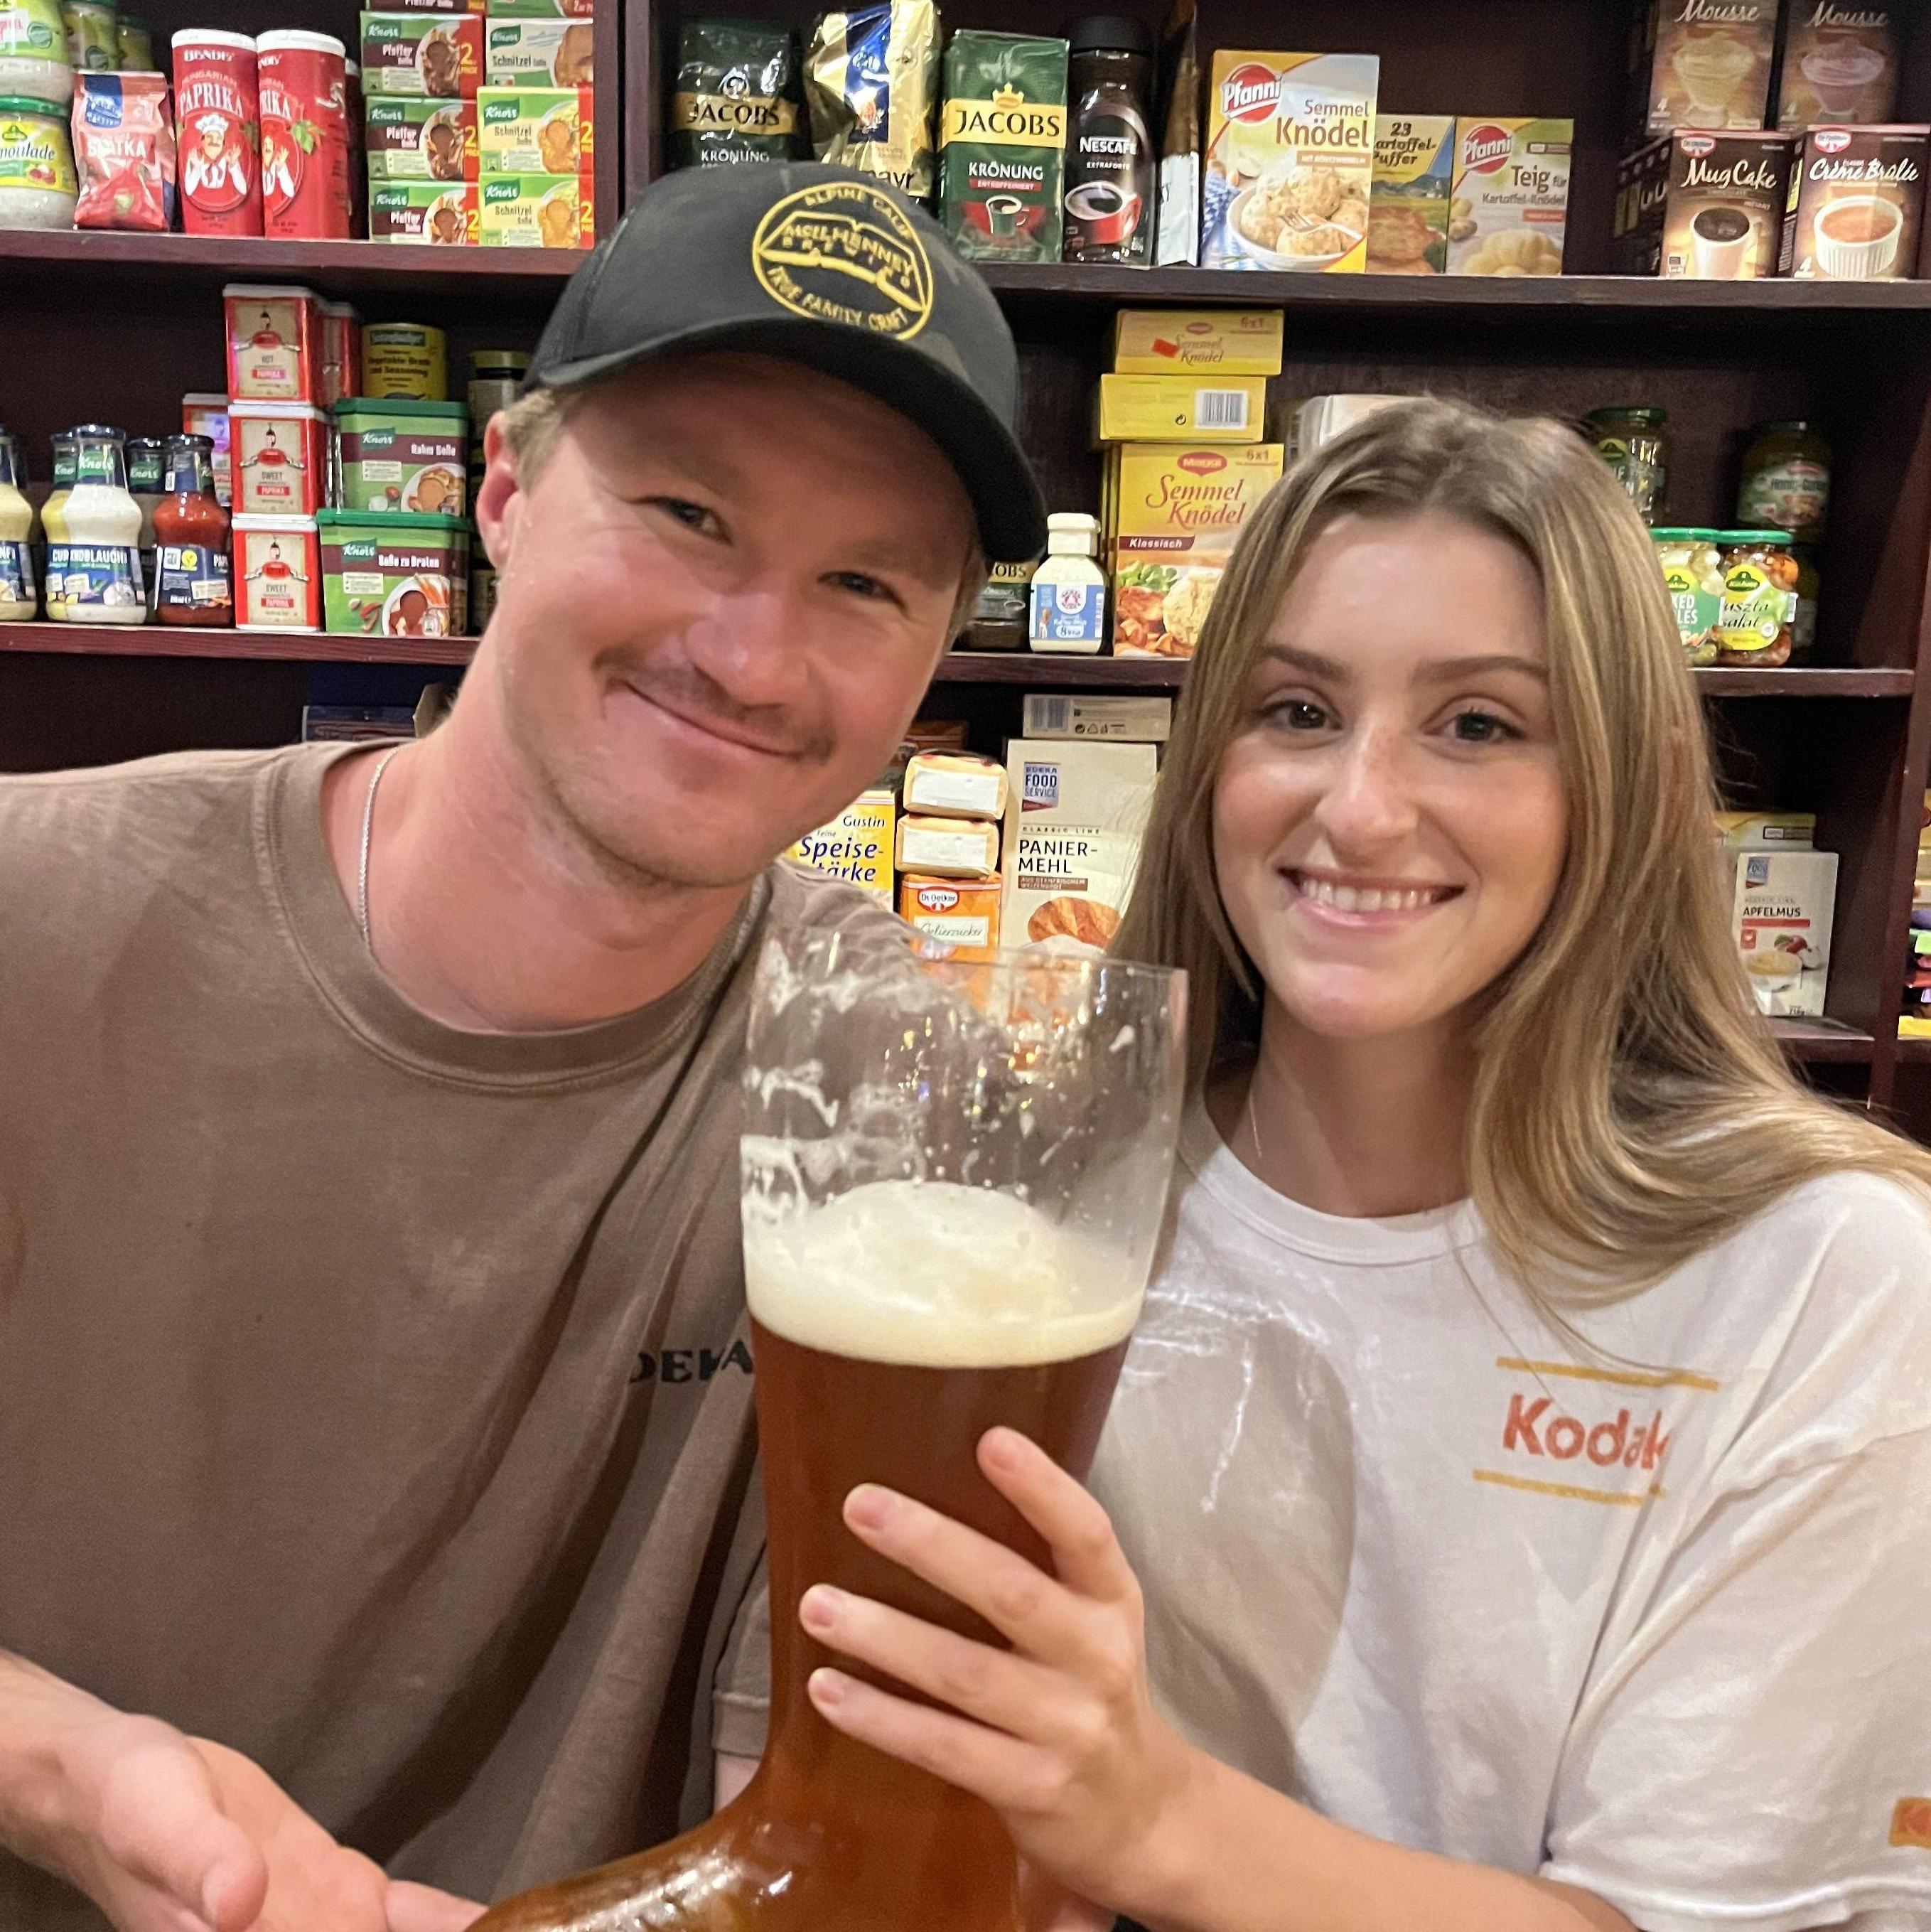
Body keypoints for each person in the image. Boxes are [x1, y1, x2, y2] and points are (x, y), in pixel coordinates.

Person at [719, 399, 1931, 1931]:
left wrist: (1149, 1816)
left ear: (1621, 783)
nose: (1359, 809)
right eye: (1295, 710)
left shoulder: (1825, 1279)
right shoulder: (1052, 1220)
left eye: (1478, 725)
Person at [0, 160, 1043, 1932]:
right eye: (690, 513)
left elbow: (831, 1815)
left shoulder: (900, 1094)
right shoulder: (40, 915)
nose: (753, 655)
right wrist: (67, 1778)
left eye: (866, 582)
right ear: (502, 490)